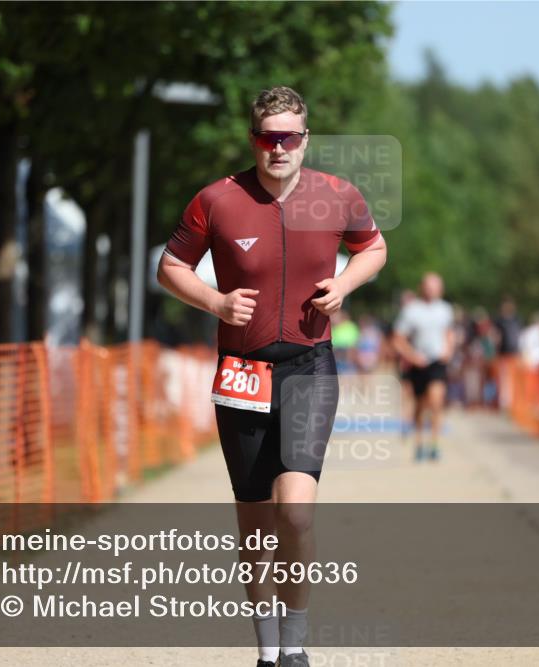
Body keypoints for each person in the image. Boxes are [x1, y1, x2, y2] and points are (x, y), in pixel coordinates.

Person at [157, 86, 387, 667]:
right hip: (241, 373)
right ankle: (266, 653)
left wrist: (345, 285)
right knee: (256, 526)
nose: (278, 148)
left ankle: (296, 648)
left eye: (289, 137)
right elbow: (170, 266)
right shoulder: (218, 199)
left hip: (310, 365)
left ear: (305, 139)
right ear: (253, 139)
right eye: (267, 137)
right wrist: (215, 302)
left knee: (297, 512)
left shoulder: (338, 196)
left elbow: (374, 248)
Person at [392, 272, 454, 461]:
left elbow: (449, 333)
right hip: (418, 361)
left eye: (436, 286)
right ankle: (419, 443)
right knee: (420, 405)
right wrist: (412, 355)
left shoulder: (445, 309)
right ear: (422, 288)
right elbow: (398, 339)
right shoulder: (412, 310)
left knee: (436, 401)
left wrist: (448, 350)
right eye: (429, 286)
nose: (432, 290)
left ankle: (434, 444)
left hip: (437, 361)